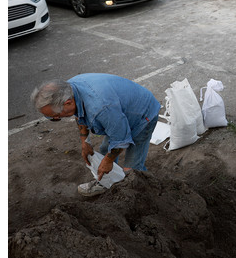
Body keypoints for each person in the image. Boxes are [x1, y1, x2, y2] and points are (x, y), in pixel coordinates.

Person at [30, 74, 161, 197]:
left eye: (56, 116)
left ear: (68, 103)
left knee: (131, 169)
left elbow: (120, 139)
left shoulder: (101, 108)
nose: (56, 118)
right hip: (118, 113)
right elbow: (79, 114)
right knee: (105, 150)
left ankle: (141, 194)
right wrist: (85, 142)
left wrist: (108, 161)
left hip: (143, 115)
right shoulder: (69, 89)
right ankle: (106, 182)